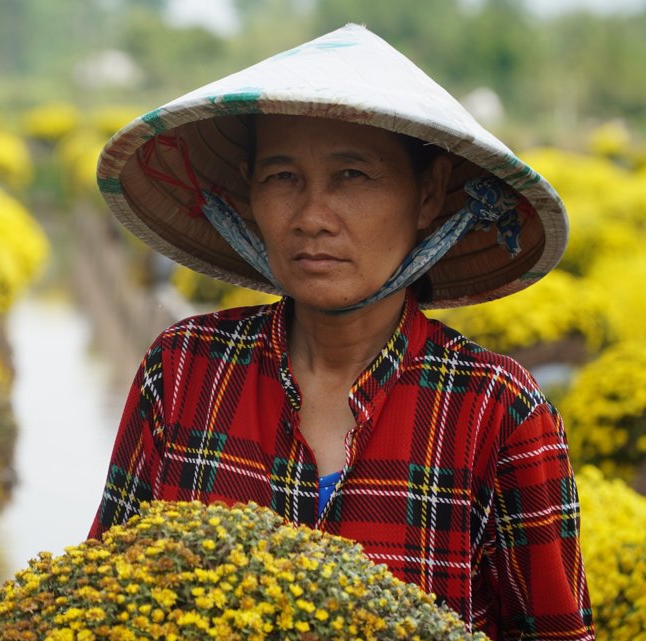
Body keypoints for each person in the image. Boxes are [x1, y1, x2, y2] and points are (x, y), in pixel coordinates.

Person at [88, 23, 594, 641]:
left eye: (352, 175)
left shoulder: (496, 411)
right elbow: (102, 597)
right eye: (282, 177)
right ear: (249, 190)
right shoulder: (186, 368)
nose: (311, 218)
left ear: (429, 195)